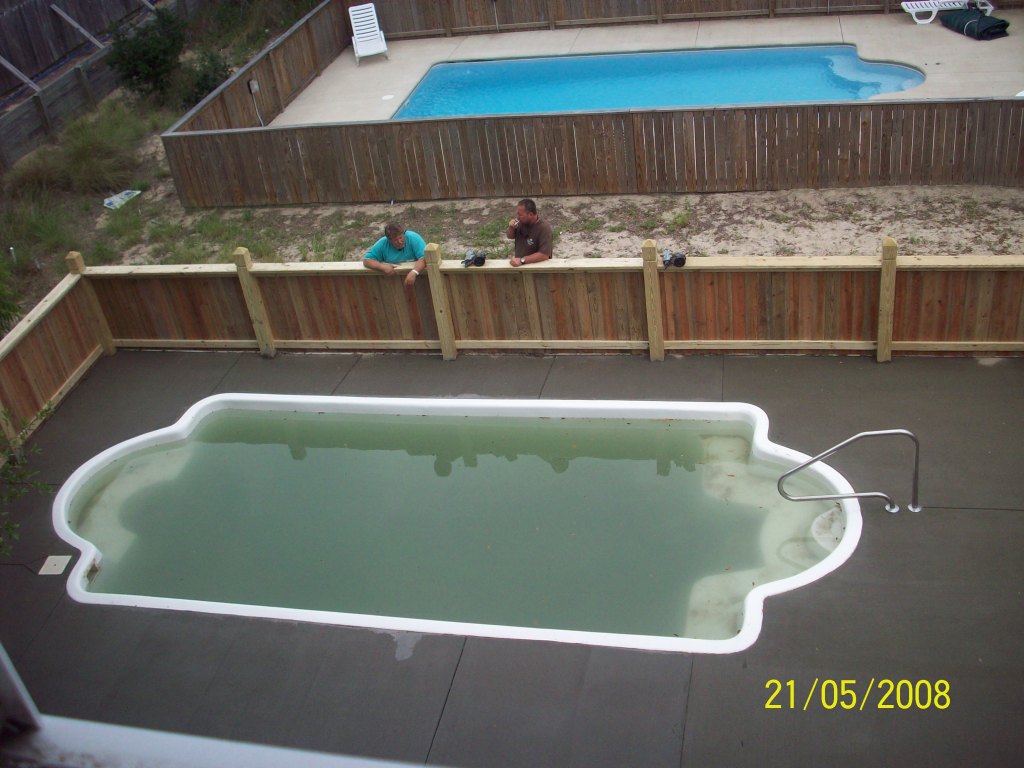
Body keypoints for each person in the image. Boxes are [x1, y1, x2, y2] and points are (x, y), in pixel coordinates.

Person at [362, 223, 427, 286]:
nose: (399, 242)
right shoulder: (382, 243)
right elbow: (367, 260)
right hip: (393, 283)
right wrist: (382, 267)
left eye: (401, 238)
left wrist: (414, 272)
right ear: (389, 240)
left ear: (403, 234)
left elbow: (424, 258)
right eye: (395, 240)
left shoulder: (413, 237)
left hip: (419, 278)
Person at [506, 198, 552, 266]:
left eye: (520, 215)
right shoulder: (520, 222)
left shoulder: (544, 227)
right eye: (518, 214)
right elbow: (510, 236)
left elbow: (544, 255)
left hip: (537, 266)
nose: (518, 217)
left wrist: (522, 260)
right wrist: (511, 227)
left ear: (530, 214)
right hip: (520, 266)